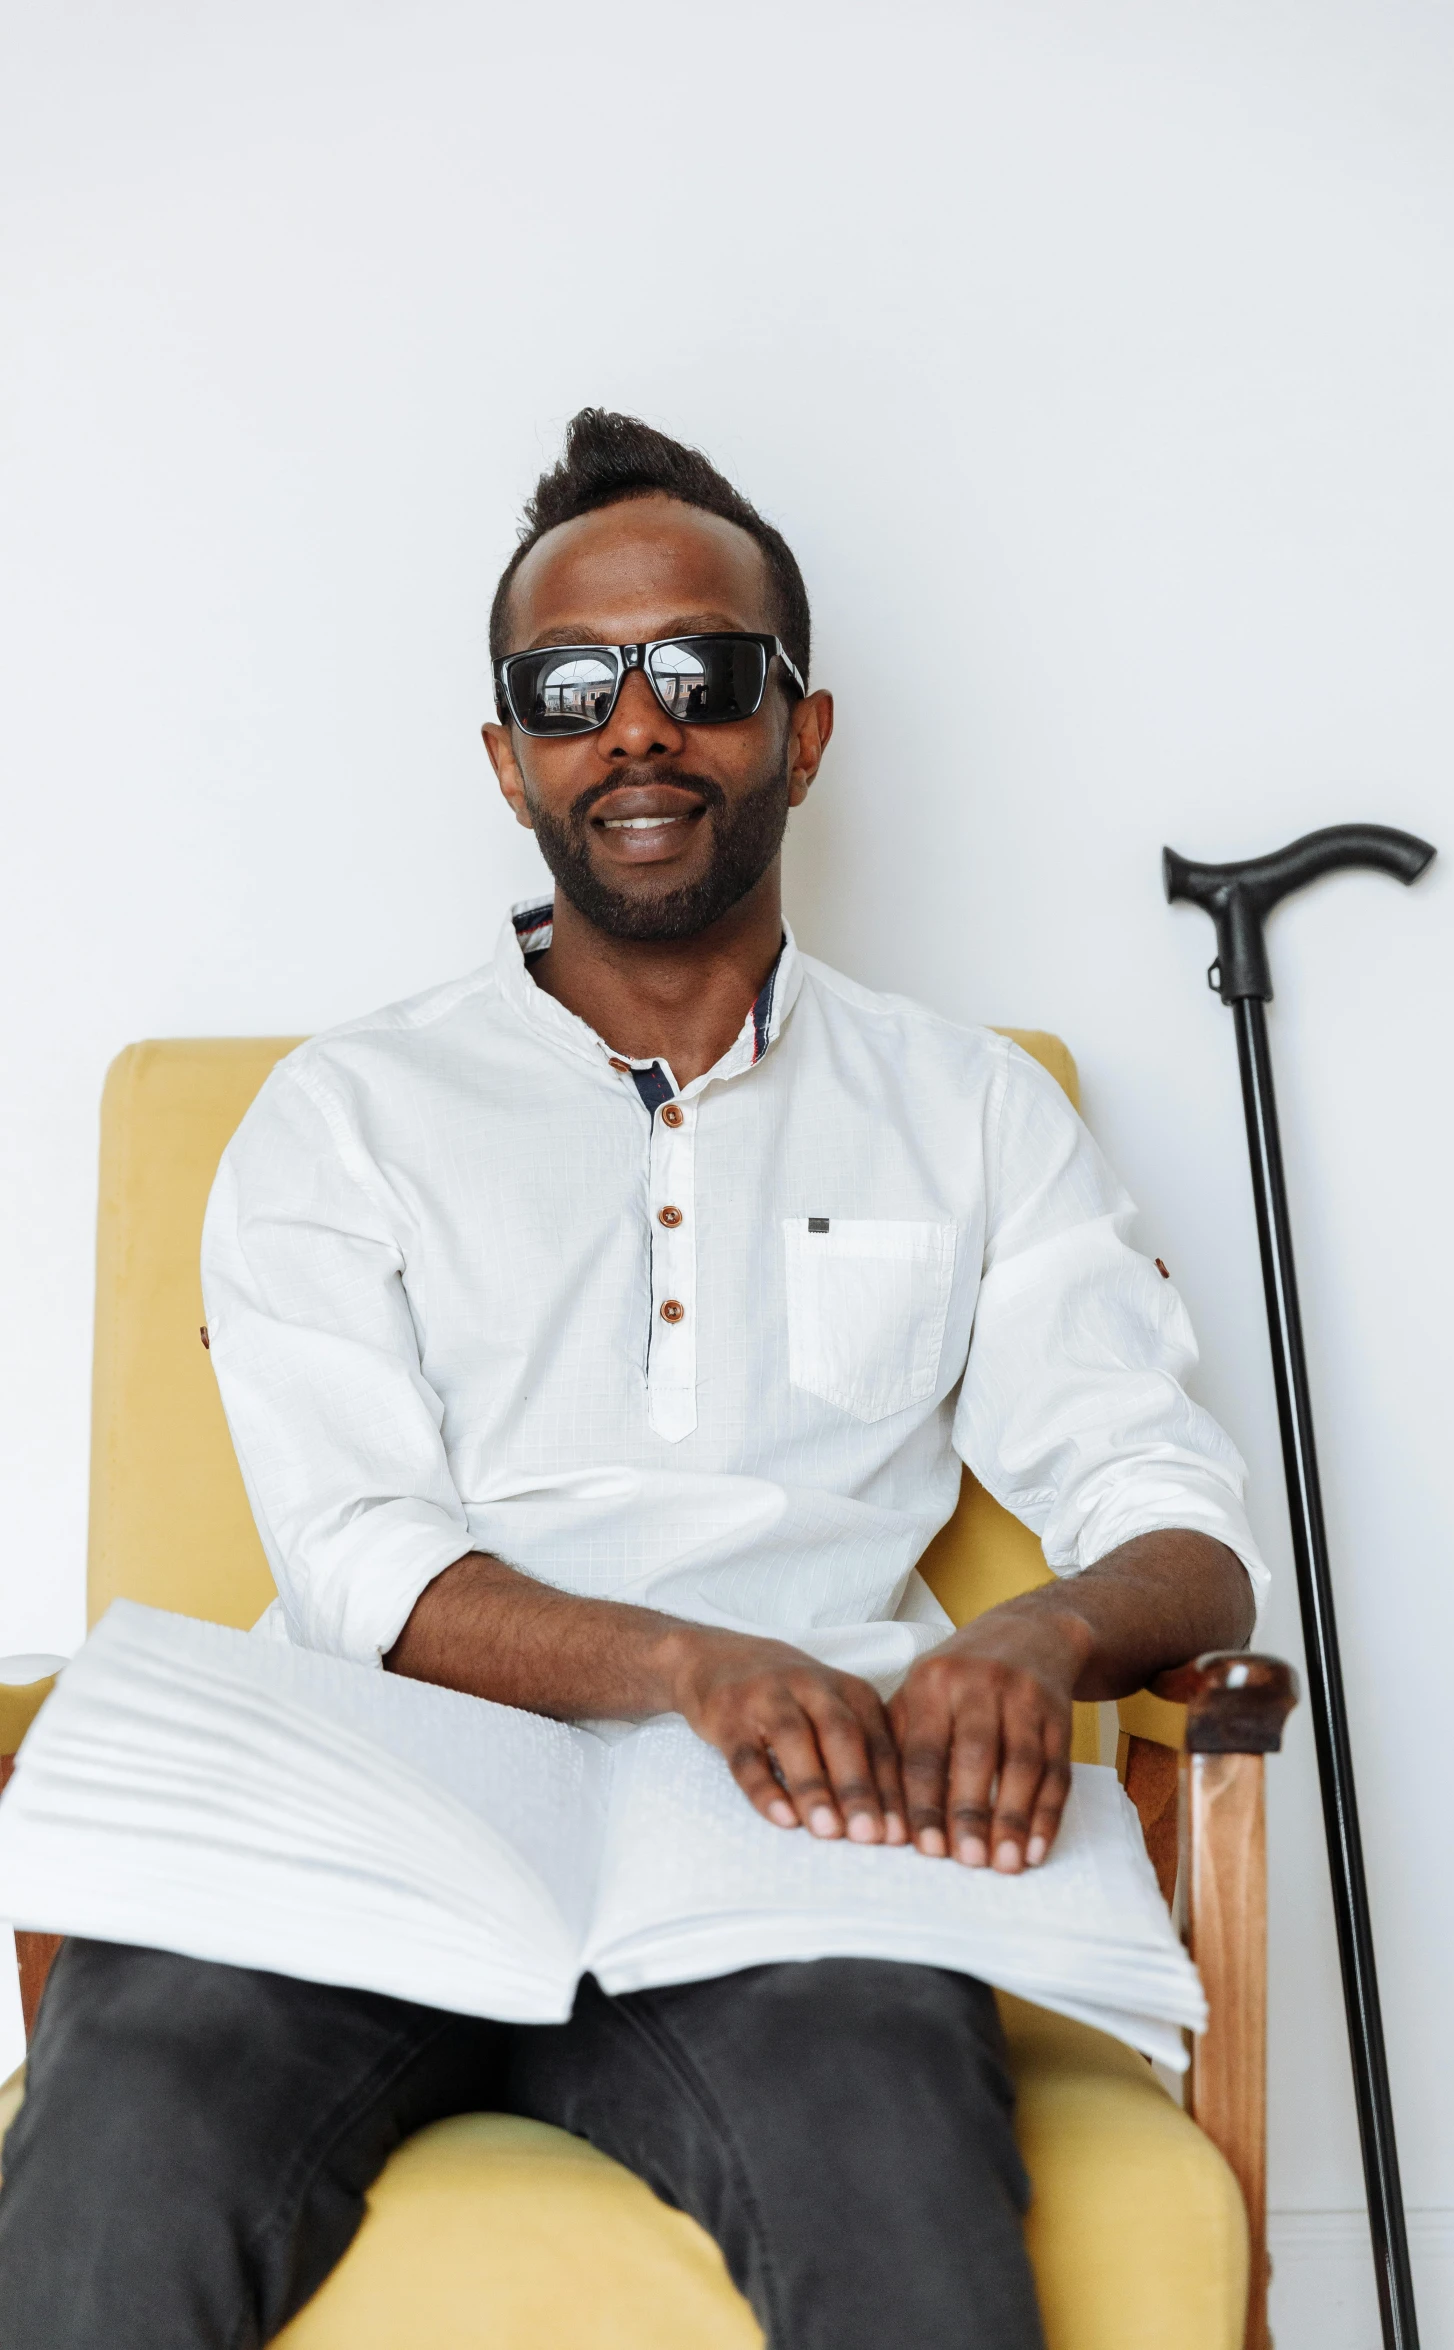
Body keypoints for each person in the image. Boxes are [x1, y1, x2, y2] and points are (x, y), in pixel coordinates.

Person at [0, 410, 1267, 2350]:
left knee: (885, 2116)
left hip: (792, 1840)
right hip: (374, 1808)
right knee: (136, 2090)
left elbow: (1173, 1509)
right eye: (572, 688)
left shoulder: (971, 1109)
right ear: (508, 755)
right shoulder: (343, 1115)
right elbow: (361, 1562)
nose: (639, 727)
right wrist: (692, 1663)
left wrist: (1043, 1635)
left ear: (802, 728)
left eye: (703, 674)